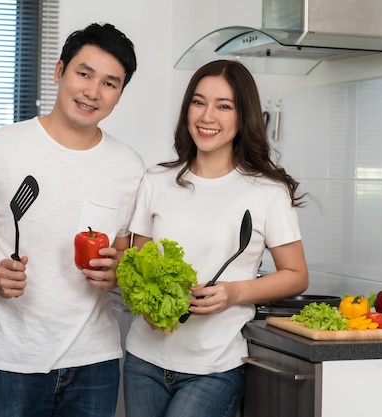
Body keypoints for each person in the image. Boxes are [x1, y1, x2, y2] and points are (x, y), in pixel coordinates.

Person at [0, 23, 145, 417]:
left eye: (109, 83)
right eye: (83, 74)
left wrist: (118, 269)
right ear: (59, 72)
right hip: (9, 360)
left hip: (95, 361)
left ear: (120, 95)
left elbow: (123, 250)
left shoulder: (129, 167)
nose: (92, 91)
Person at [122, 59, 309, 417]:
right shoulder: (155, 180)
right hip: (144, 359)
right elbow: (136, 264)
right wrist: (146, 305)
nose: (207, 116)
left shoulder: (268, 192)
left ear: (243, 117)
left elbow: (296, 274)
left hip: (214, 367)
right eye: (198, 101)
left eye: (224, 106)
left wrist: (234, 293)